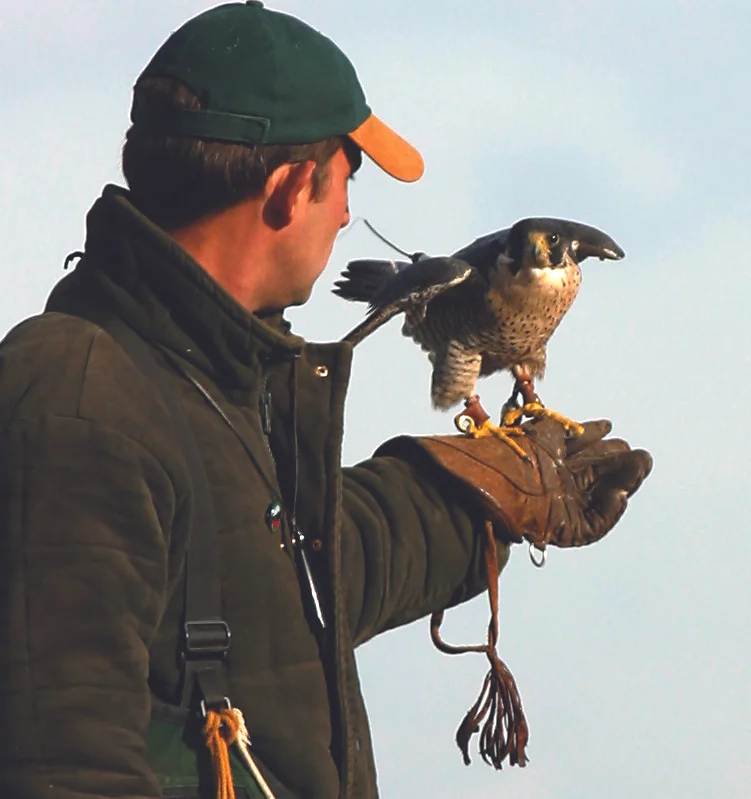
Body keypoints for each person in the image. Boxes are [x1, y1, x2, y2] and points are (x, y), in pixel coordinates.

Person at [0, 4, 652, 799]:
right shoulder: (76, 402)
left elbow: (297, 579)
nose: (346, 214)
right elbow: (63, 766)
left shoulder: (217, 379)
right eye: (347, 182)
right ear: (286, 191)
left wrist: (479, 492)